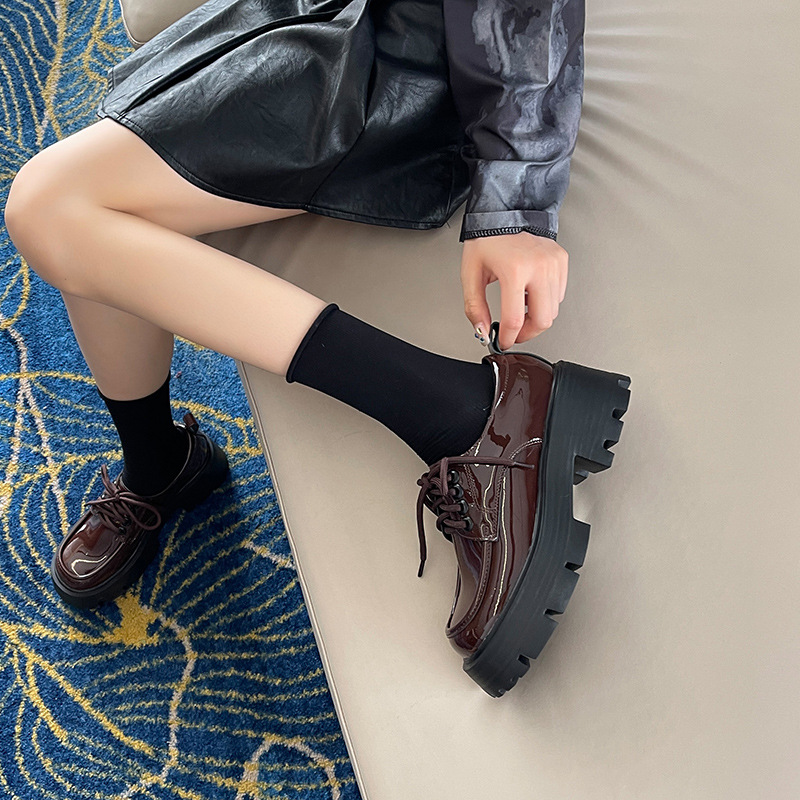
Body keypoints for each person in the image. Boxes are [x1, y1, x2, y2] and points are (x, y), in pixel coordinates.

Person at [4, 0, 629, 696]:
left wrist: (518, 193)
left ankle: (467, 415)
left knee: (53, 207)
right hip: (306, 21)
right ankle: (163, 465)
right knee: (74, 210)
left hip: (398, 60)